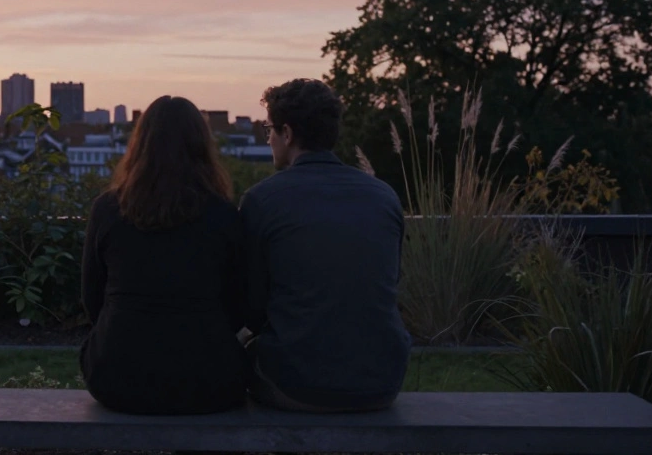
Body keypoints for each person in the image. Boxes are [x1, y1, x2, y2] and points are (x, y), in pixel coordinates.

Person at [240, 79, 411, 412]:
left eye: (269, 130)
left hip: (298, 382)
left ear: (287, 133)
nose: (269, 139)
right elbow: (387, 283)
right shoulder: (384, 197)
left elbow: (252, 306)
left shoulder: (262, 200)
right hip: (381, 381)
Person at [80, 95, 248, 415]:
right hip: (208, 378)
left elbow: (92, 299)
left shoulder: (107, 210)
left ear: (139, 145)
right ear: (201, 146)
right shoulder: (225, 215)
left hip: (117, 375)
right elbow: (241, 304)